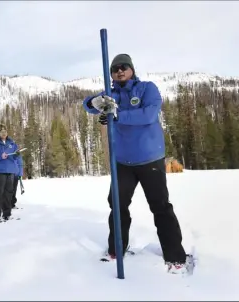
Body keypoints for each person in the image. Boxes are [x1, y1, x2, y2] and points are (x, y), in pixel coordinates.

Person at [82, 54, 188, 274]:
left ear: (132, 69)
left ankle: (175, 256)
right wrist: (94, 103)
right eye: (115, 69)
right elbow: (89, 106)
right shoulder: (111, 96)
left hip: (150, 158)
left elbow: (149, 114)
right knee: (117, 205)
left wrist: (117, 114)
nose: (120, 71)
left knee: (160, 206)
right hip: (122, 161)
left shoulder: (147, 88)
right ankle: (116, 250)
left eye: (124, 67)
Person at [0, 125, 21, 222]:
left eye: (5, 131)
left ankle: (7, 214)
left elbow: (15, 157)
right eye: (2, 132)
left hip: (10, 171)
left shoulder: (12, 143)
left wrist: (16, 155)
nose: (4, 133)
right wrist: (0, 156)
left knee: (8, 194)